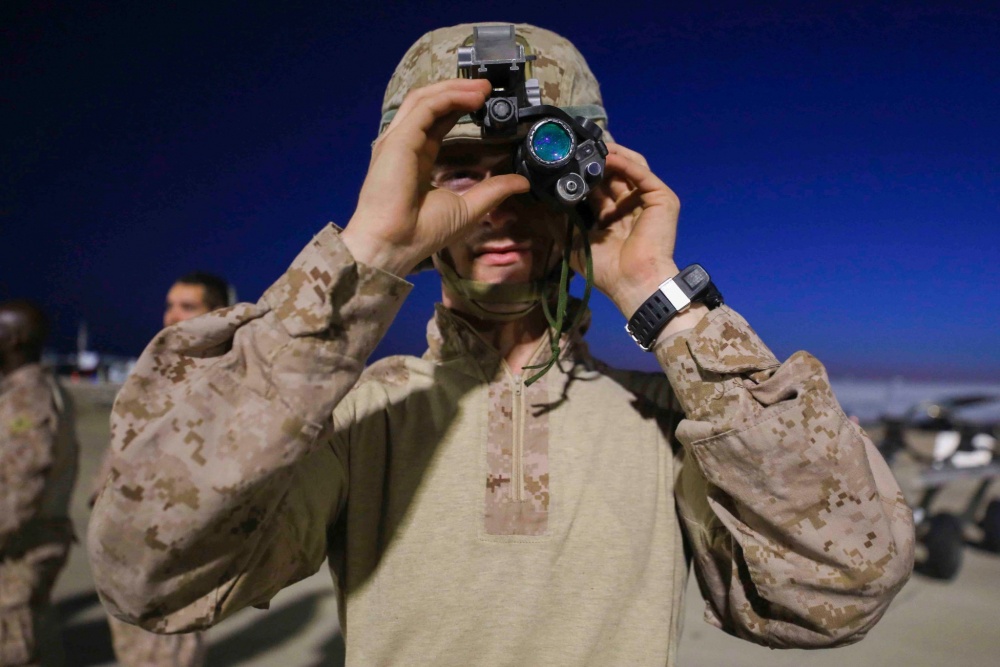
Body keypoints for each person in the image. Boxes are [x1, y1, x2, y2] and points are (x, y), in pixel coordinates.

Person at [88, 23, 914, 666]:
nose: (502, 201)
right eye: (461, 171)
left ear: (583, 185)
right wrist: (368, 252)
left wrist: (661, 297)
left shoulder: (673, 424)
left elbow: (839, 586)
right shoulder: (353, 417)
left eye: (532, 164)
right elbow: (148, 576)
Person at [93, 271, 231, 667]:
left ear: (217, 312)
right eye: (170, 305)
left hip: (173, 552)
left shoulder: (227, 375)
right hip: (125, 542)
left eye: (187, 307)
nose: (172, 316)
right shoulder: (161, 369)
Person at [0, 300, 78, 666]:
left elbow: (21, 490)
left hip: (21, 549)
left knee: (17, 648)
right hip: (25, 544)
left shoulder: (29, 399)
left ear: (13, 339)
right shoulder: (25, 390)